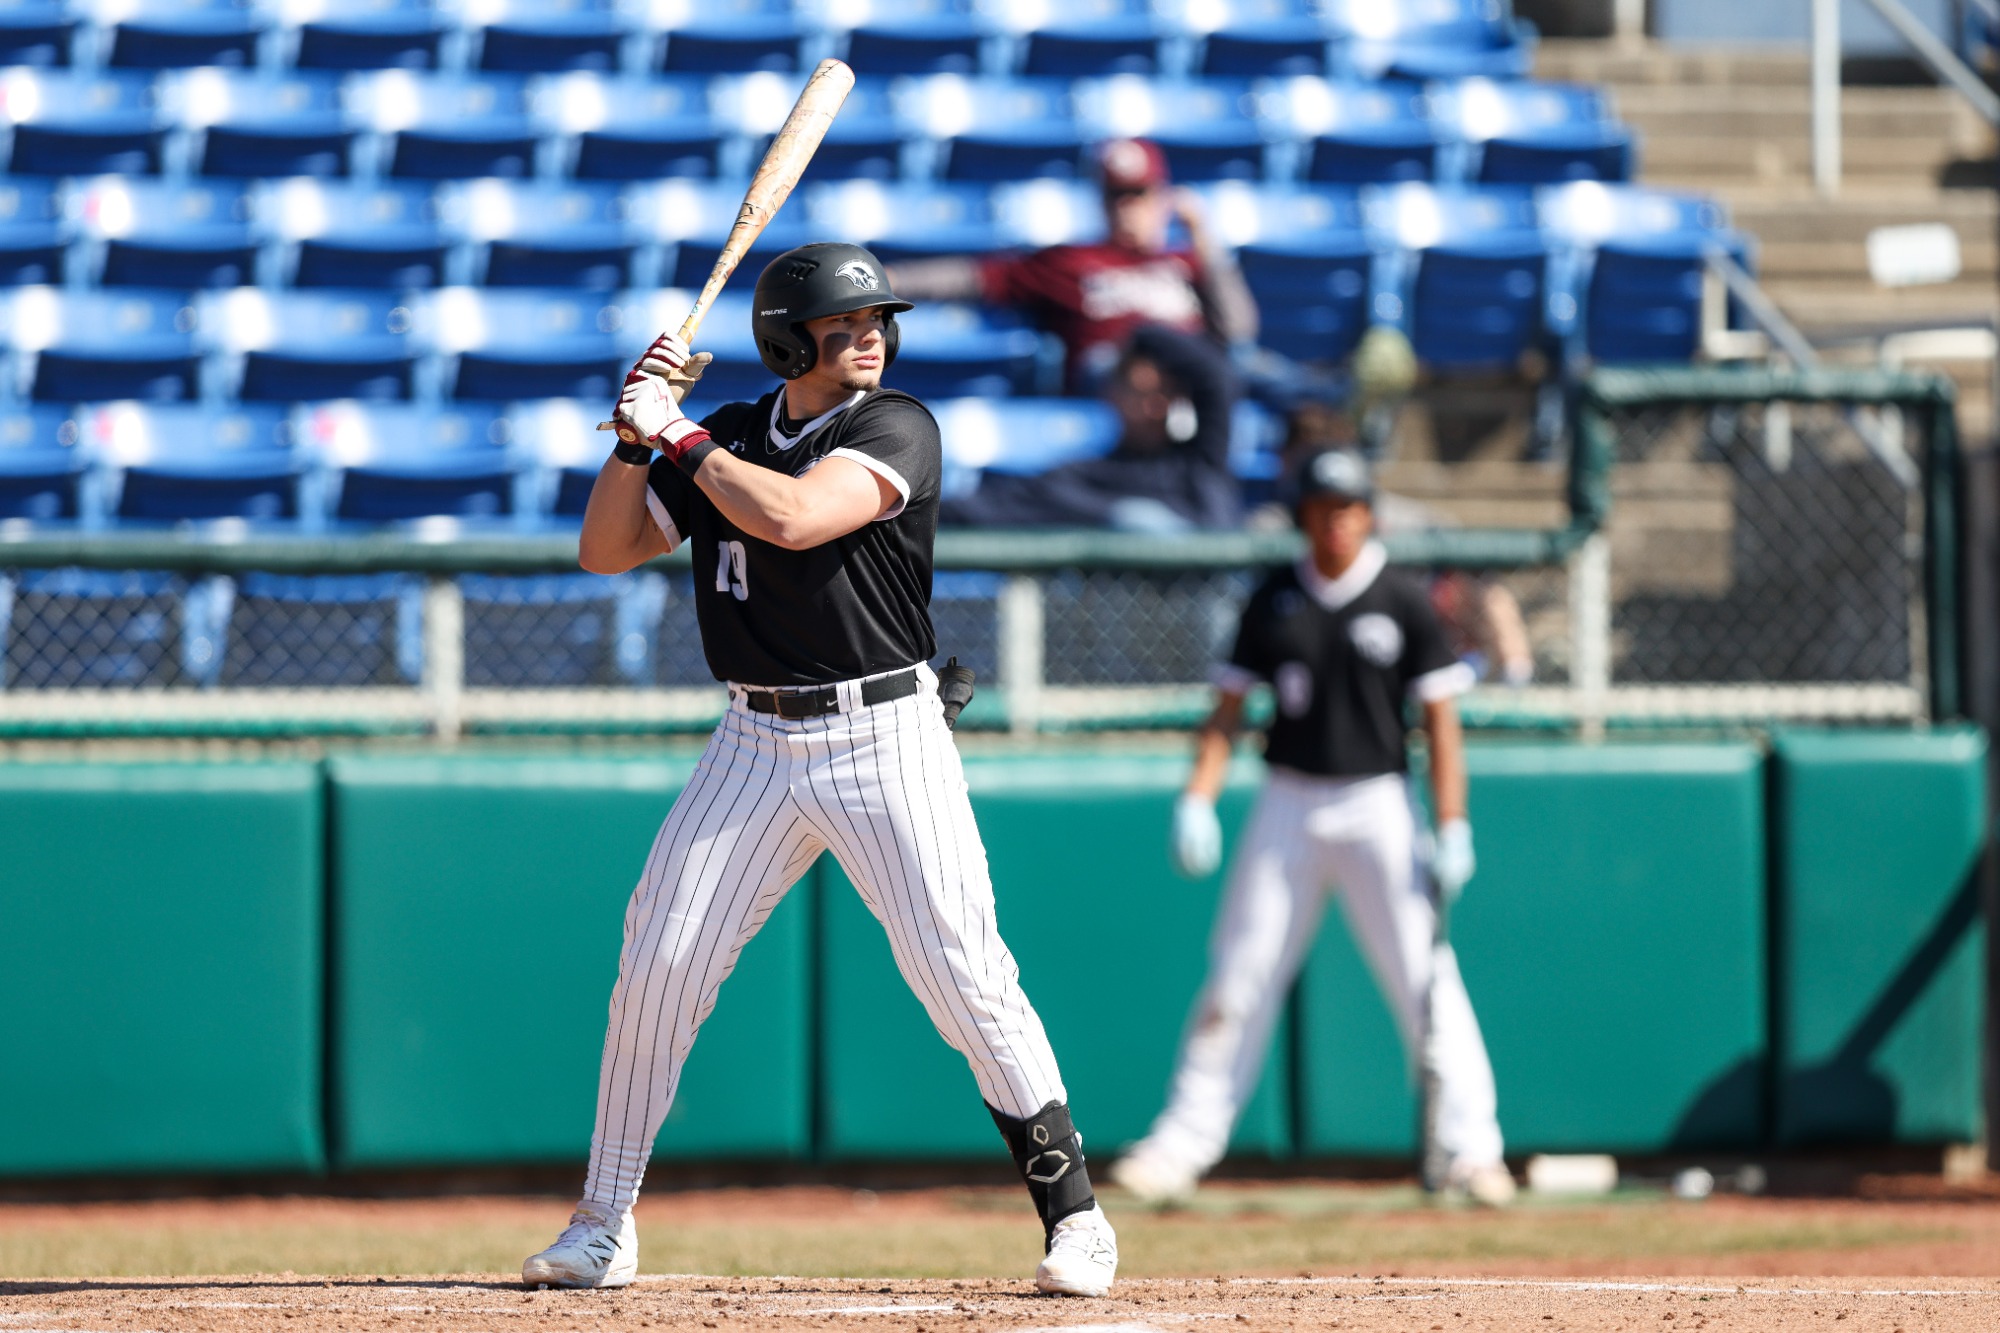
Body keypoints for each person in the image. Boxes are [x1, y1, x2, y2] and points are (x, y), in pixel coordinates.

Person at [521, 242, 1118, 1296]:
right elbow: (605, 550)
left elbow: (793, 518)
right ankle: (602, 1223)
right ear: (789, 340)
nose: (872, 337)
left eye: (878, 321)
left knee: (959, 968)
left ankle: (1074, 1218)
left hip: (882, 729)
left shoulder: (895, 424)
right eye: (847, 326)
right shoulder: (738, 432)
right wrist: (631, 439)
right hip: (751, 738)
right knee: (657, 965)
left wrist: (677, 430)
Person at [1109, 448, 1515, 1209]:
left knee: (1427, 981)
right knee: (1239, 970)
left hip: (1378, 801)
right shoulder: (1273, 599)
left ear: (1370, 515)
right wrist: (1197, 797)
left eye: (1350, 507)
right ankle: (1181, 1144)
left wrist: (1451, 823)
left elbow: (1442, 723)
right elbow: (1227, 713)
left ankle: (1471, 1149)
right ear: (1304, 516)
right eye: (1323, 508)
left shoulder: (1402, 599)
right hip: (1288, 799)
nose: (1336, 522)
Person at [890, 137, 1257, 394]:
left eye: (1139, 194)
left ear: (1163, 197)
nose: (1126, 208)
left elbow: (1238, 329)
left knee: (1258, 372)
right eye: (1116, 196)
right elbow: (975, 277)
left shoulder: (1187, 261)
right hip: (1114, 387)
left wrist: (1204, 240)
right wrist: (890, 279)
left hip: (1189, 380)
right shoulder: (1071, 262)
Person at [939, 322, 1238, 531]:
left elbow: (1217, 374)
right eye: (1140, 393)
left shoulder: (1199, 464)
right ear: (1113, 397)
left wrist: (1139, 334)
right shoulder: (1085, 477)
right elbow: (991, 507)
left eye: (1165, 396)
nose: (1155, 406)